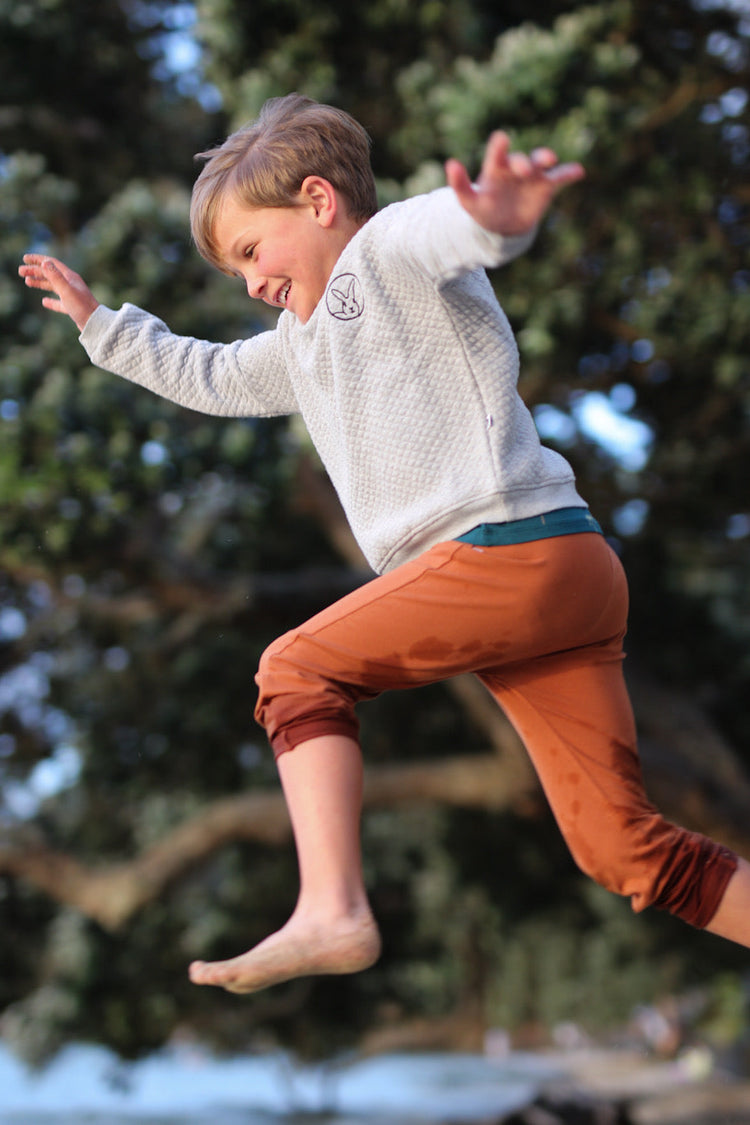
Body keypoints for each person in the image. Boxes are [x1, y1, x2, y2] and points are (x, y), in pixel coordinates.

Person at [19, 94, 750, 997]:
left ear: (320, 201)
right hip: (559, 576)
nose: (249, 282)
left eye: (252, 251)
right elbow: (207, 372)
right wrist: (102, 327)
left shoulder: (386, 253)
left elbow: (445, 230)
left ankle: (332, 906)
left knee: (294, 670)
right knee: (624, 851)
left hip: (506, 549)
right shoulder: (299, 344)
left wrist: (494, 217)